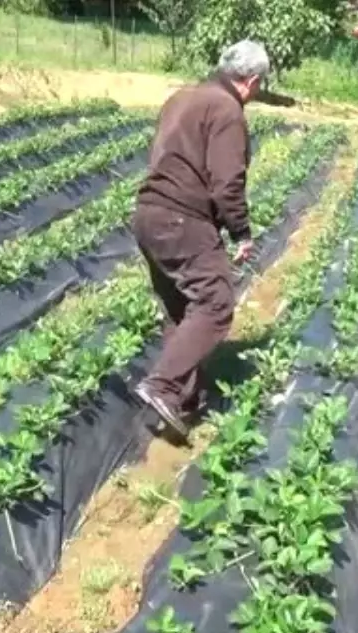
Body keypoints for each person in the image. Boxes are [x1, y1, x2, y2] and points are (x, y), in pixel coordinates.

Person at [131, 39, 271, 440]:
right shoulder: (227, 110)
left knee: (182, 309)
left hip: (148, 214)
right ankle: (163, 386)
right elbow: (226, 182)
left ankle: (183, 402)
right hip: (182, 218)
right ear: (253, 81)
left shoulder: (183, 98)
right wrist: (241, 231)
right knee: (215, 303)